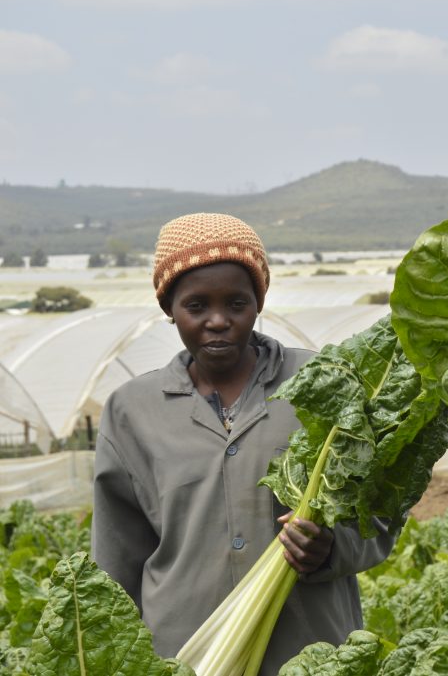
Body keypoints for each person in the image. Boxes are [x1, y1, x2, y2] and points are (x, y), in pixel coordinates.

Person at [91, 213, 395, 675]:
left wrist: (332, 548)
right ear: (169, 307)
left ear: (259, 302)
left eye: (237, 302)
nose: (218, 321)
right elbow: (116, 557)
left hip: (311, 653)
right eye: (196, 306)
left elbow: (381, 510)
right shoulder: (131, 411)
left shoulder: (325, 384)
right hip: (183, 656)